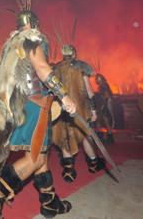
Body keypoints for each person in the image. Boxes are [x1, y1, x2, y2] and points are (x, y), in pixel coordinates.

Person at [0, 0, 75, 219]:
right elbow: (42, 68)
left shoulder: (11, 42)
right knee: (34, 158)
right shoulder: (33, 39)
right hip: (34, 104)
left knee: (41, 157)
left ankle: (49, 202)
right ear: (34, 24)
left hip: (20, 104)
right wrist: (64, 94)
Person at [51, 42, 105, 183]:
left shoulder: (56, 68)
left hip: (62, 109)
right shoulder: (81, 66)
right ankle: (93, 165)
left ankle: (68, 171)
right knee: (86, 137)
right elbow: (89, 91)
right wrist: (93, 109)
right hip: (80, 108)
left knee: (65, 137)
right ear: (74, 54)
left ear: (63, 54)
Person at [94, 73, 115, 143]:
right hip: (104, 103)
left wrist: (103, 105)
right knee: (102, 119)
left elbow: (107, 96)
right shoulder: (102, 85)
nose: (96, 80)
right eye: (96, 78)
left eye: (98, 78)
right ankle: (105, 136)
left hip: (105, 103)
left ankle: (109, 136)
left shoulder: (103, 85)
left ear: (101, 79)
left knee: (105, 119)